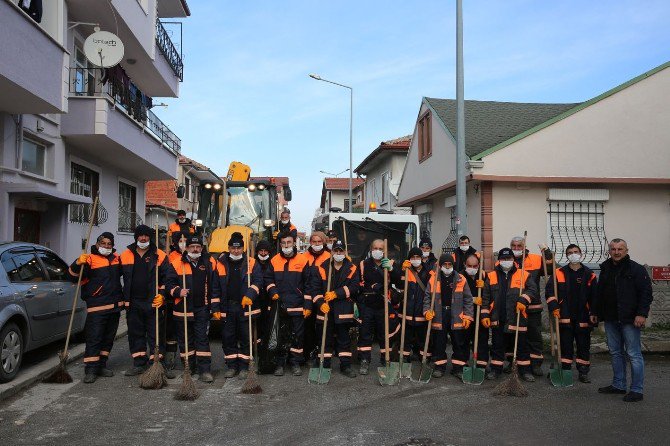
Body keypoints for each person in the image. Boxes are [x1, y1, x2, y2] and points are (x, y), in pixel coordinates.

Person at [596, 238, 653, 402]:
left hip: (630, 319)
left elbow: (646, 293)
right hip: (611, 318)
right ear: (609, 251)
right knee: (615, 353)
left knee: (633, 354)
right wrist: (596, 312)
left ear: (626, 250)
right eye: (613, 249)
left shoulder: (636, 269)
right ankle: (619, 385)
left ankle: (637, 390)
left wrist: (642, 314)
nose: (616, 252)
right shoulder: (605, 268)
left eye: (620, 249)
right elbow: (600, 293)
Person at [68, 232, 124, 384]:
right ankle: (91, 370)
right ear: (98, 244)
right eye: (103, 243)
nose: (106, 246)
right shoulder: (90, 259)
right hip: (97, 307)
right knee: (94, 338)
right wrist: (77, 263)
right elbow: (73, 276)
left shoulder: (116, 258)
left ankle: (101, 365)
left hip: (114, 307)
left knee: (108, 339)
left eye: (109, 244)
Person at [119, 225, 173, 377]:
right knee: (135, 333)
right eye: (140, 235)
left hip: (153, 302)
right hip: (133, 302)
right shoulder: (125, 255)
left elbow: (167, 278)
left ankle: (157, 363)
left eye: (146, 236)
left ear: (150, 237)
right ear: (136, 237)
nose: (143, 238)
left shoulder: (159, 255)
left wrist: (162, 294)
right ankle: (139, 363)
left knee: (156, 334)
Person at [166, 235, 219, 383]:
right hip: (182, 309)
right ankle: (189, 368)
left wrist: (213, 306)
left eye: (198, 247)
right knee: (185, 341)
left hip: (202, 308)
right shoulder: (177, 263)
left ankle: (204, 370)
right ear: (187, 248)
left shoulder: (209, 262)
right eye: (192, 247)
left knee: (202, 339)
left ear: (202, 248)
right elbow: (168, 284)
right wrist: (177, 291)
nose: (195, 249)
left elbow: (215, 285)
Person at [482, 247, 538, 382]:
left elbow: (532, 290)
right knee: (497, 346)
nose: (506, 261)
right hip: (498, 317)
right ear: (499, 260)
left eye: (509, 258)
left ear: (513, 260)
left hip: (517, 317)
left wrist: (524, 299)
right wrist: (485, 315)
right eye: (503, 259)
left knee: (521, 346)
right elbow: (486, 298)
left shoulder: (524, 274)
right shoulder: (491, 276)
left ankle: (525, 371)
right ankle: (496, 370)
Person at [544, 244, 598, 384]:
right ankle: (565, 370)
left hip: (583, 317)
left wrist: (594, 312)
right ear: (566, 256)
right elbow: (550, 292)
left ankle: (583, 372)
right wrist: (554, 306)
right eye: (570, 252)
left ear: (581, 254)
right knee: (565, 346)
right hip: (564, 316)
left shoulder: (589, 275)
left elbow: (595, 297)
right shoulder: (559, 273)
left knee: (583, 346)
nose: (573, 254)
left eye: (575, 252)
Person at [214, 232, 263, 379]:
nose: (236, 251)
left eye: (239, 248)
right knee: (228, 337)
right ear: (229, 248)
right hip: (227, 307)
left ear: (243, 249)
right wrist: (215, 308)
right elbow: (215, 287)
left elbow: (258, 281)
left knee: (245, 337)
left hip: (245, 307)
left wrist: (250, 295)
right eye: (233, 248)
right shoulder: (220, 264)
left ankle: (243, 366)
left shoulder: (251, 262)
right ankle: (231, 366)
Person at [264, 231, 311, 376]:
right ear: (280, 244)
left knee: (297, 335)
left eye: (289, 242)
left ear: (294, 242)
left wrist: (308, 305)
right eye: (283, 243)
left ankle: (295, 363)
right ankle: (279, 364)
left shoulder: (303, 260)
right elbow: (268, 279)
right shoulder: (274, 260)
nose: (286, 245)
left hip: (297, 305)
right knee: (280, 335)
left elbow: (309, 284)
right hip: (280, 305)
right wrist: (273, 292)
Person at [310, 241, 359, 378]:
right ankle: (324, 364)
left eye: (341, 251)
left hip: (343, 309)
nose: (338, 254)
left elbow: (355, 288)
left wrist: (336, 293)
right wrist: (320, 303)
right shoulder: (322, 267)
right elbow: (315, 289)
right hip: (325, 310)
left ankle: (345, 366)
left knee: (344, 340)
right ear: (332, 252)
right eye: (336, 251)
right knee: (324, 339)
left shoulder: (352, 268)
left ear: (345, 252)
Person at [423, 254, 474, 378]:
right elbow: (427, 298)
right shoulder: (433, 278)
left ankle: (458, 368)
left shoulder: (461, 279)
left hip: (456, 314)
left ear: (453, 265)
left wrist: (467, 316)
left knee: (458, 342)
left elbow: (468, 299)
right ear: (440, 265)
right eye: (444, 264)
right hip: (439, 314)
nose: (447, 266)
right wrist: (427, 311)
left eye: (449, 264)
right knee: (439, 342)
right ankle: (440, 367)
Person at [357, 239, 402, 375]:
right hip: (367, 305)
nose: (377, 251)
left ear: (385, 251)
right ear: (371, 250)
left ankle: (385, 359)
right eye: (375, 248)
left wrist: (392, 270)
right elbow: (357, 284)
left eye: (380, 248)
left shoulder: (390, 263)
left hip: (384, 305)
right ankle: (364, 361)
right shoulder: (363, 264)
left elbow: (399, 282)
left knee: (385, 334)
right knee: (365, 335)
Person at [509, 236, 552, 376]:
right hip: (514, 306)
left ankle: (535, 364)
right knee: (514, 336)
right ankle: (513, 362)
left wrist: (547, 255)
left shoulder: (535, 259)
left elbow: (550, 270)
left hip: (533, 305)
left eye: (519, 246)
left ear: (524, 246)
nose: (516, 249)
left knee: (534, 335)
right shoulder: (507, 260)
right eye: (513, 246)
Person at [300, 232, 332, 362]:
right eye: (314, 241)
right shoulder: (303, 256)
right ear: (310, 242)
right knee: (307, 327)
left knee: (321, 327)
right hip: (306, 296)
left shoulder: (329, 257)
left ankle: (321, 353)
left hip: (322, 298)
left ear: (323, 242)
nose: (316, 244)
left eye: (319, 242)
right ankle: (308, 352)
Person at [400, 247, 432, 365]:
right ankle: (404, 357)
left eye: (417, 257)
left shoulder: (428, 272)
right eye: (412, 257)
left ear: (421, 258)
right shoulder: (406, 270)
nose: (415, 259)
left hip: (421, 310)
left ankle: (424, 357)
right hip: (407, 310)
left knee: (422, 337)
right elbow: (399, 285)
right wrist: (403, 271)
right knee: (406, 336)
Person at [462, 253, 489, 371]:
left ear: (479, 265)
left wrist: (484, 288)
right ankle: (463, 364)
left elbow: (490, 294)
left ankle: (481, 365)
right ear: (464, 264)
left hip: (480, 313)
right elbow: (456, 296)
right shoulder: (459, 276)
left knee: (481, 340)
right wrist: (472, 299)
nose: (472, 269)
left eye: (475, 266)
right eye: (469, 266)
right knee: (463, 340)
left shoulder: (483, 275)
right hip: (465, 314)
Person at [164, 231, 187, 369]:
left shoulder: (194, 256)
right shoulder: (170, 257)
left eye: (185, 241)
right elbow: (167, 279)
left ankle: (187, 360)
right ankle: (170, 359)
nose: (183, 244)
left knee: (187, 332)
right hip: (172, 299)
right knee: (171, 331)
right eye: (180, 241)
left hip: (189, 299)